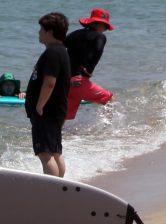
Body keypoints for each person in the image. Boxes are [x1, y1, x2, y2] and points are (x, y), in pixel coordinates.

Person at [25, 12, 72, 178]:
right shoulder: (62, 52)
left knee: (46, 154)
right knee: (55, 152)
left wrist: (39, 106)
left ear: (50, 32)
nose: (39, 32)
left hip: (47, 111)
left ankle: (53, 189)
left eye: (41, 29)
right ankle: (60, 187)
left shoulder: (52, 54)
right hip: (56, 110)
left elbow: (50, 82)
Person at [64, 9, 115, 119]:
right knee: (110, 100)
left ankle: (57, 135)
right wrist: (89, 70)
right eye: (105, 27)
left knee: (64, 118)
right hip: (79, 82)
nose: (104, 30)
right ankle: (107, 131)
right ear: (100, 24)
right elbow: (98, 50)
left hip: (66, 83)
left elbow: (59, 49)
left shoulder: (73, 34)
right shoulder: (99, 36)